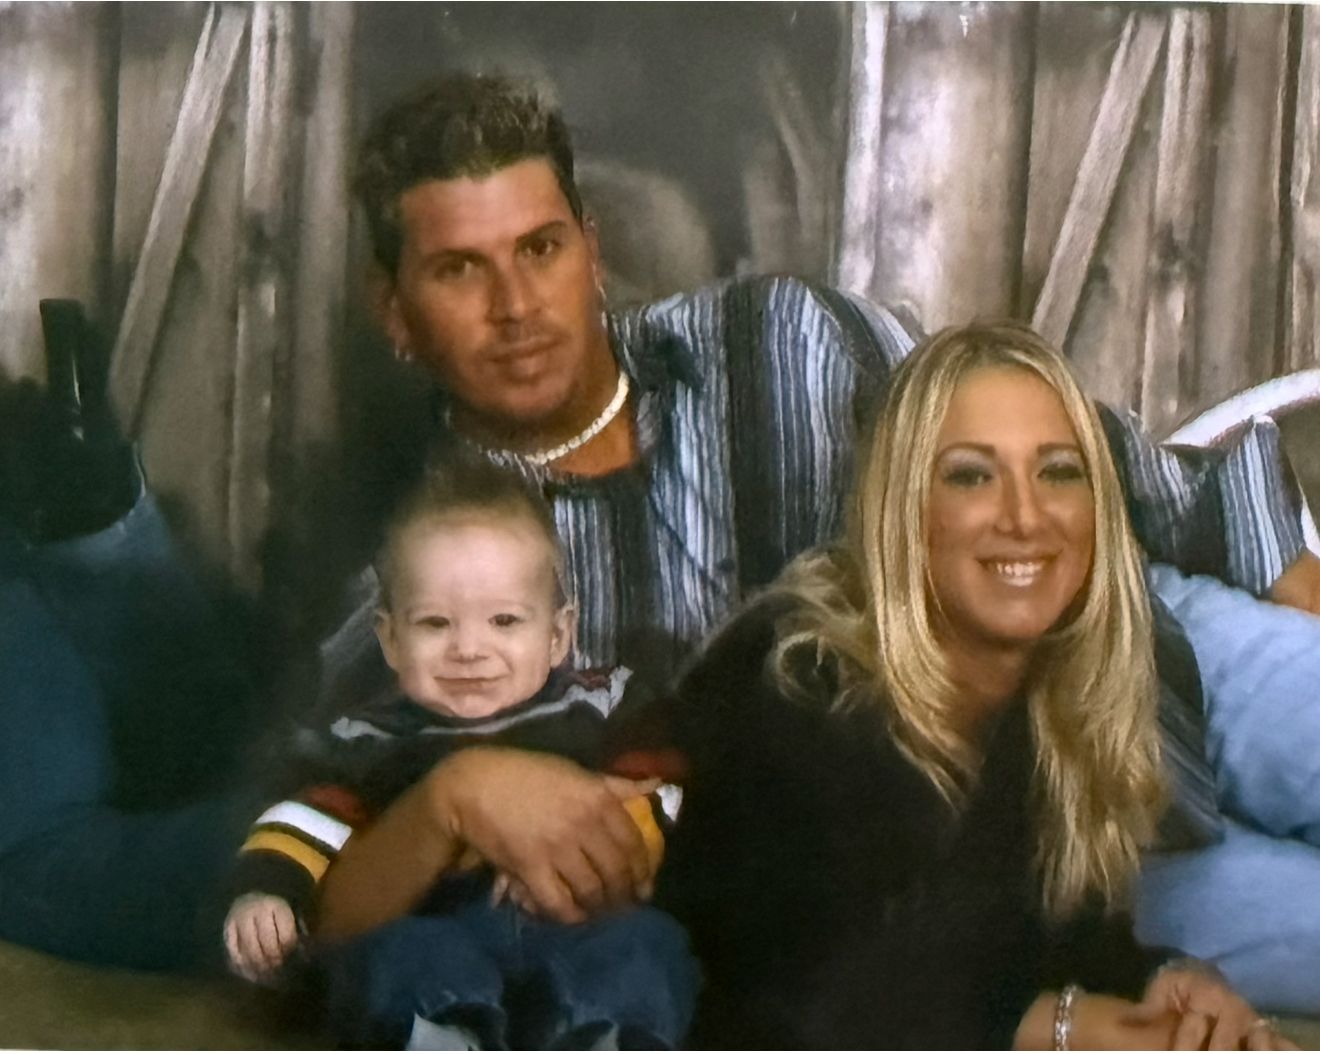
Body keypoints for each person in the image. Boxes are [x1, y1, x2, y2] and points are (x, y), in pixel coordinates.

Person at [311, 72, 1320, 1014]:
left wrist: (1285, 565)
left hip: (1148, 632)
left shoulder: (786, 339)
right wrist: (456, 791)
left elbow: (1047, 438)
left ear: (591, 242)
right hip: (1059, 841)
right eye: (458, 269)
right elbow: (324, 896)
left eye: (540, 249)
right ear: (393, 312)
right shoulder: (424, 594)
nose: (516, 306)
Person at [655, 320, 1295, 1049]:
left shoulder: (1060, 691)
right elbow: (808, 999)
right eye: (971, 475)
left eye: (1058, 471)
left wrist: (1166, 986)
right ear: (906, 508)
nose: (1025, 517)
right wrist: (1059, 1028)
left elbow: (1044, 953)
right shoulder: (793, 680)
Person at [222, 457, 696, 1049]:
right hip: (435, 925)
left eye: (504, 620)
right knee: (398, 955)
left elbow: (662, 787)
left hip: (577, 924)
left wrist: (590, 855)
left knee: (646, 945)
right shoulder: (366, 741)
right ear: (390, 639)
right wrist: (266, 893)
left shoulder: (601, 707)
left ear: (558, 636)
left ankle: (607, 1037)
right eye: (436, 623)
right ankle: (443, 1036)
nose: (469, 649)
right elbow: (301, 823)